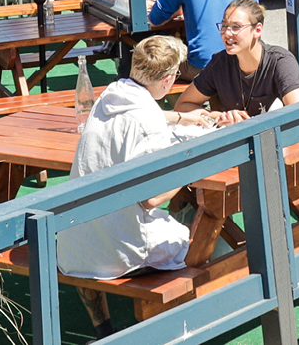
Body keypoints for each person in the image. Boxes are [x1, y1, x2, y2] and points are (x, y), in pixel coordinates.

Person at [55, 35, 216, 333]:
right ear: (168, 80)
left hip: (74, 244)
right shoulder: (149, 122)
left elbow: (141, 115)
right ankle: (182, 326)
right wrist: (190, 162)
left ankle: (104, 329)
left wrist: (180, 118)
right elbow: (152, 199)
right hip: (119, 252)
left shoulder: (109, 96)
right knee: (206, 238)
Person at [172, 0, 299, 123]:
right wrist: (220, 116)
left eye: (236, 27)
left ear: (257, 30)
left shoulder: (280, 61)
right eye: (224, 26)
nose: (227, 33)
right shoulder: (220, 63)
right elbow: (182, 105)